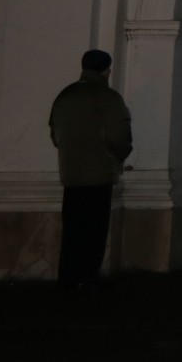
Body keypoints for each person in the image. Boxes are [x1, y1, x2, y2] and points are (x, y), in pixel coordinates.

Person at [48, 49, 132, 288]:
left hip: (71, 174)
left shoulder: (65, 95)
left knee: (73, 229)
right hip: (99, 175)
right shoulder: (109, 98)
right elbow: (120, 137)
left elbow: (55, 134)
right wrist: (116, 156)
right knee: (94, 231)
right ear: (105, 70)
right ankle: (87, 277)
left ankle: (68, 277)